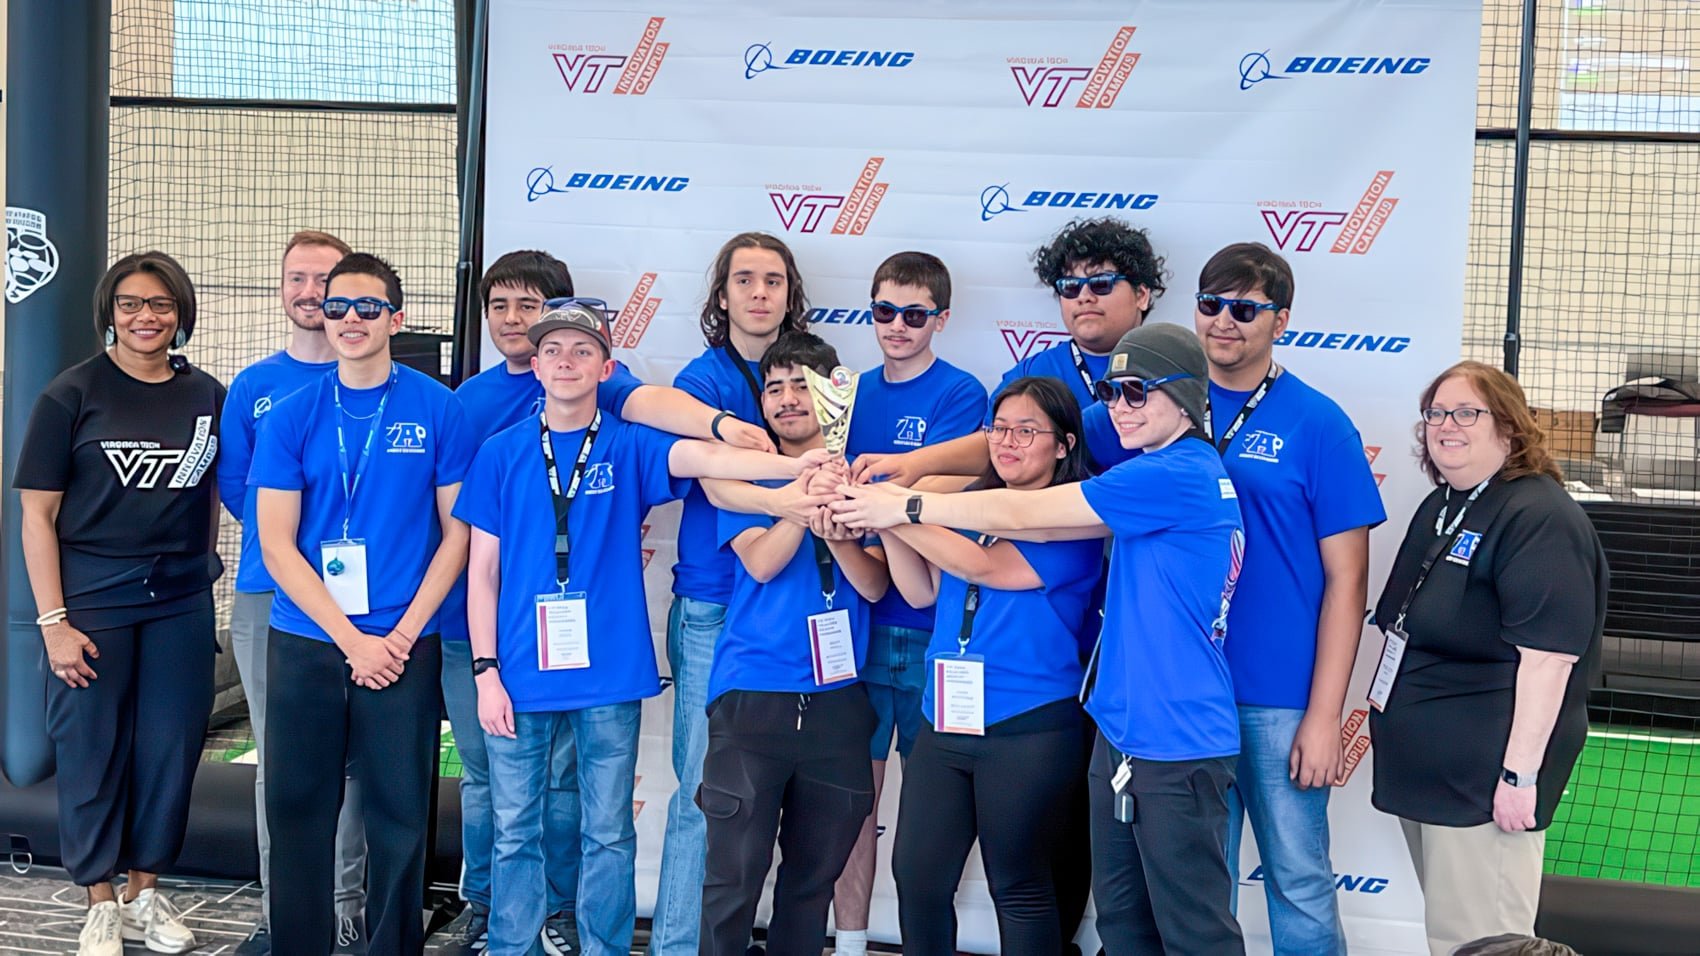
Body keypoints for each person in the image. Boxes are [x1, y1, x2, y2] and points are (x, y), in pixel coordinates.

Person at [833, 322, 1247, 955]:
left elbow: (1027, 518)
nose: (1121, 407)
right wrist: (897, 493)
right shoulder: (1151, 464)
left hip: (1172, 737)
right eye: (1112, 392)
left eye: (1139, 391)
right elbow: (985, 496)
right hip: (1120, 730)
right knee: (1125, 926)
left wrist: (906, 504)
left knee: (1192, 933)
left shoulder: (1177, 472)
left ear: (1187, 395)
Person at [455, 302, 818, 956]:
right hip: (517, 673)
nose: (566, 361)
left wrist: (805, 470)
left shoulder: (626, 442)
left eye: (581, 350)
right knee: (515, 831)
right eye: (553, 350)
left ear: (606, 366)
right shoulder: (500, 454)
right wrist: (486, 673)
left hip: (610, 676)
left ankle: (603, 948)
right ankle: (512, 947)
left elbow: (705, 462)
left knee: (609, 834)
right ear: (534, 364)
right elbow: (481, 572)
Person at [1084, 243, 1385, 954]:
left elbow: (1349, 582)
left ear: (1280, 320)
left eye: (1244, 309)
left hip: (1277, 698)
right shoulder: (1145, 402)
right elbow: (1031, 439)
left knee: (1300, 880)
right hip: (1177, 707)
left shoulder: (1318, 423)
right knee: (1194, 893)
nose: (1223, 321)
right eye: (1210, 304)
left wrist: (1323, 713)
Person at [251, 252, 471, 955]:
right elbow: (278, 546)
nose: (350, 319)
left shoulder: (439, 407)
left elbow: (457, 534)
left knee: (400, 816)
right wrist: (352, 641)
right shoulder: (291, 415)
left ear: (395, 319)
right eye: (337, 306)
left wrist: (400, 637)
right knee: (296, 810)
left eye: (367, 307)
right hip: (311, 640)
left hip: (404, 641)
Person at [16, 251, 224, 956]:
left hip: (179, 605)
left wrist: (205, 572)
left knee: (169, 751)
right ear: (110, 312)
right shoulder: (70, 395)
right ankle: (99, 899)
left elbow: (218, 496)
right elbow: (36, 518)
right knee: (91, 753)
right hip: (91, 606)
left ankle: (144, 893)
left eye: (161, 305)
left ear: (181, 315)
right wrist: (53, 624)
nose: (146, 317)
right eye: (132, 304)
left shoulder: (207, 397)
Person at [1370, 361, 1606, 956]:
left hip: (1483, 786)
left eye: (1466, 412)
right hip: (1435, 777)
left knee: (1486, 944)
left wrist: (1518, 777)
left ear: (1509, 427)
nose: (1447, 425)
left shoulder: (1538, 518)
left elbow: (1550, 661)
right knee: (1455, 940)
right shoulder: (1446, 505)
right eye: (1436, 413)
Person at [884, 376, 1102, 954]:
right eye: (999, 429)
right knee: (918, 878)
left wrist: (900, 508)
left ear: (1063, 444)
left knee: (1021, 888)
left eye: (1027, 431)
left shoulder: (1075, 515)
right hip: (943, 719)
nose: (1008, 442)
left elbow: (988, 569)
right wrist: (888, 522)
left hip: (1027, 727)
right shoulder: (964, 507)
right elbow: (921, 590)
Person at [697, 332, 888, 956]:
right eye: (772, 387)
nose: (784, 398)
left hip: (837, 701)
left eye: (799, 384)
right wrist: (802, 506)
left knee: (810, 887)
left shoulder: (864, 477)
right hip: (753, 698)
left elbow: (874, 582)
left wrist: (837, 526)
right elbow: (760, 564)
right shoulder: (747, 479)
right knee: (733, 881)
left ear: (832, 394)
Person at [652, 232, 810, 955]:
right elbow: (718, 479)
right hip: (717, 604)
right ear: (722, 297)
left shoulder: (811, 372)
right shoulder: (701, 379)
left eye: (772, 281)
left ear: (789, 293)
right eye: (743, 280)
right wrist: (801, 483)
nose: (758, 292)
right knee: (704, 794)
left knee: (770, 800)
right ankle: (680, 945)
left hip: (790, 608)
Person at [217, 229, 368, 956]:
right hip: (269, 598)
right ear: (282, 290)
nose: (312, 294)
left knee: (358, 762)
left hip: (370, 607)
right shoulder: (253, 387)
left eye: (326, 282)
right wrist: (300, 555)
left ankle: (349, 912)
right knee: (281, 765)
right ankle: (286, 918)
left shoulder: (383, 381)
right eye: (298, 279)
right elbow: (243, 493)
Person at [833, 251, 988, 956]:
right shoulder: (847, 393)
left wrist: (890, 501)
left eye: (914, 314)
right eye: (884, 311)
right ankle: (855, 942)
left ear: (942, 319)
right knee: (849, 810)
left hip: (935, 633)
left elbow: (975, 489)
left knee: (931, 826)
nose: (897, 326)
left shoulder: (962, 395)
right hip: (858, 622)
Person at [851, 217, 1165, 484]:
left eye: (1100, 284)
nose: (1083, 297)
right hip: (1055, 539)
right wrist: (913, 466)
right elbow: (992, 447)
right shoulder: (1033, 372)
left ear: (1141, 295)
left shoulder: (1175, 366)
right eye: (1069, 287)